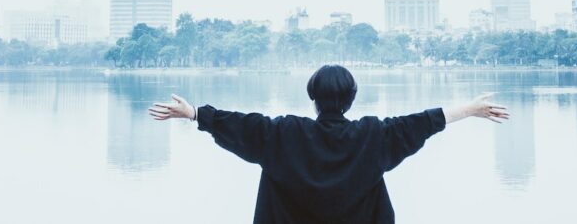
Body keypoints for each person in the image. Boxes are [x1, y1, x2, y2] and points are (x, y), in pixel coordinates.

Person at [149, 64, 510, 223]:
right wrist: (471, 109)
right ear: (351, 98)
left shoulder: (283, 135)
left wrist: (195, 113)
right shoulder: (373, 137)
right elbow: (424, 122)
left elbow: (239, 124)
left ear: (313, 97)